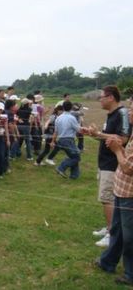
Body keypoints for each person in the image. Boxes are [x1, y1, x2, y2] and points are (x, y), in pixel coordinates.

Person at [94, 99, 133, 287]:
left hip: (130, 195)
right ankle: (107, 262)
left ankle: (130, 273)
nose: (129, 111)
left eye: (132, 108)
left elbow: (129, 168)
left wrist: (117, 150)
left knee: (129, 236)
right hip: (122, 190)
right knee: (117, 230)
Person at [86, 86, 129, 248]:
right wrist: (94, 134)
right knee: (106, 198)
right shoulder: (111, 115)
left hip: (112, 163)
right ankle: (111, 227)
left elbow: (122, 139)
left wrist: (99, 134)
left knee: (108, 198)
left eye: (102, 97)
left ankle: (113, 234)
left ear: (111, 97)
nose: (100, 100)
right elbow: (108, 138)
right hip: (104, 162)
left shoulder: (121, 113)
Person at [51, 101, 85, 179]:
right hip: (68, 140)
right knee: (76, 157)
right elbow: (78, 129)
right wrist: (86, 130)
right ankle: (61, 168)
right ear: (71, 108)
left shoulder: (58, 118)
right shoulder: (71, 118)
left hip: (60, 140)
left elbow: (55, 132)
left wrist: (53, 141)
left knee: (73, 156)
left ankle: (74, 176)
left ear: (63, 108)